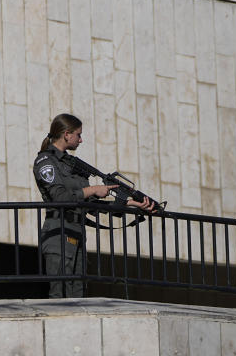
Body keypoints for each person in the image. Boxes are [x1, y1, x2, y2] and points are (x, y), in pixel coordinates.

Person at [33, 113, 153, 298]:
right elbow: (61, 198)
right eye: (78, 135)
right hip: (59, 233)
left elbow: (88, 201)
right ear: (67, 134)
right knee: (60, 295)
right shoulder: (46, 162)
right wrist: (93, 189)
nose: (81, 139)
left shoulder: (69, 162)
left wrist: (130, 204)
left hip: (75, 232)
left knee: (78, 295)